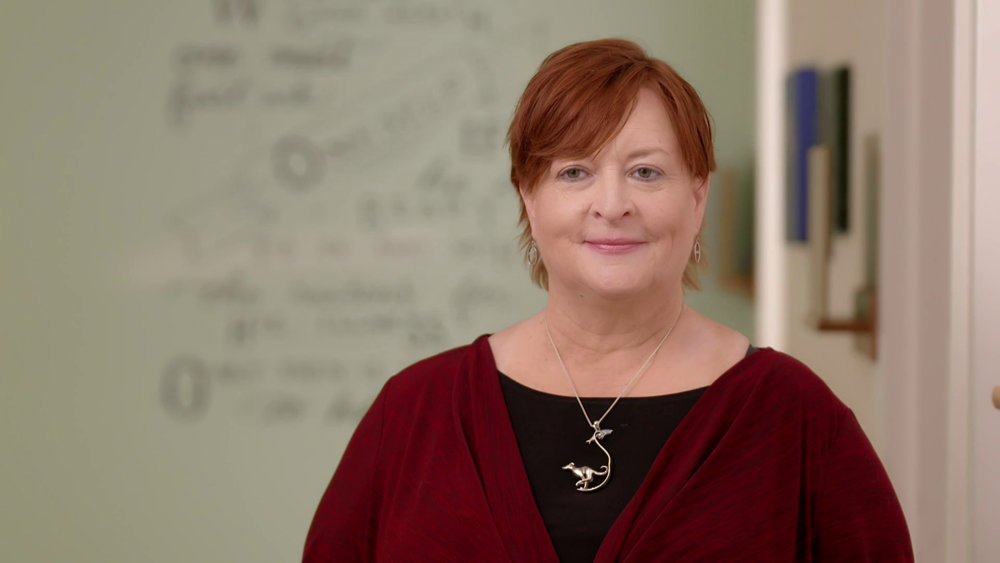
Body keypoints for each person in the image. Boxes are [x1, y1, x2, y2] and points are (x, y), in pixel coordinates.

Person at [304, 38, 912, 562]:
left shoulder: (796, 417)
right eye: (575, 172)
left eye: (646, 172)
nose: (613, 204)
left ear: (697, 197)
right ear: (529, 198)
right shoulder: (414, 412)